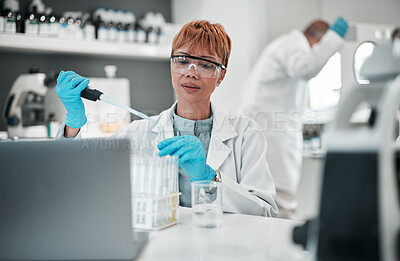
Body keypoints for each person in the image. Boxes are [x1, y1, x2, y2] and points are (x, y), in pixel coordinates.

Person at [55, 20, 279, 217]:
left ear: (221, 75)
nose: (191, 72)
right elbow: (74, 179)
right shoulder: (138, 133)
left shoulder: (245, 134)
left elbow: (266, 212)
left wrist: (211, 178)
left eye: (206, 64)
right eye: (182, 60)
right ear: (171, 64)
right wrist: (73, 124)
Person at [240, 17, 349, 218]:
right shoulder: (294, 44)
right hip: (271, 135)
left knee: (275, 203)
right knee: (281, 205)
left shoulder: (285, 45)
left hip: (269, 130)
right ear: (319, 41)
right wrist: (333, 40)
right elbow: (306, 67)